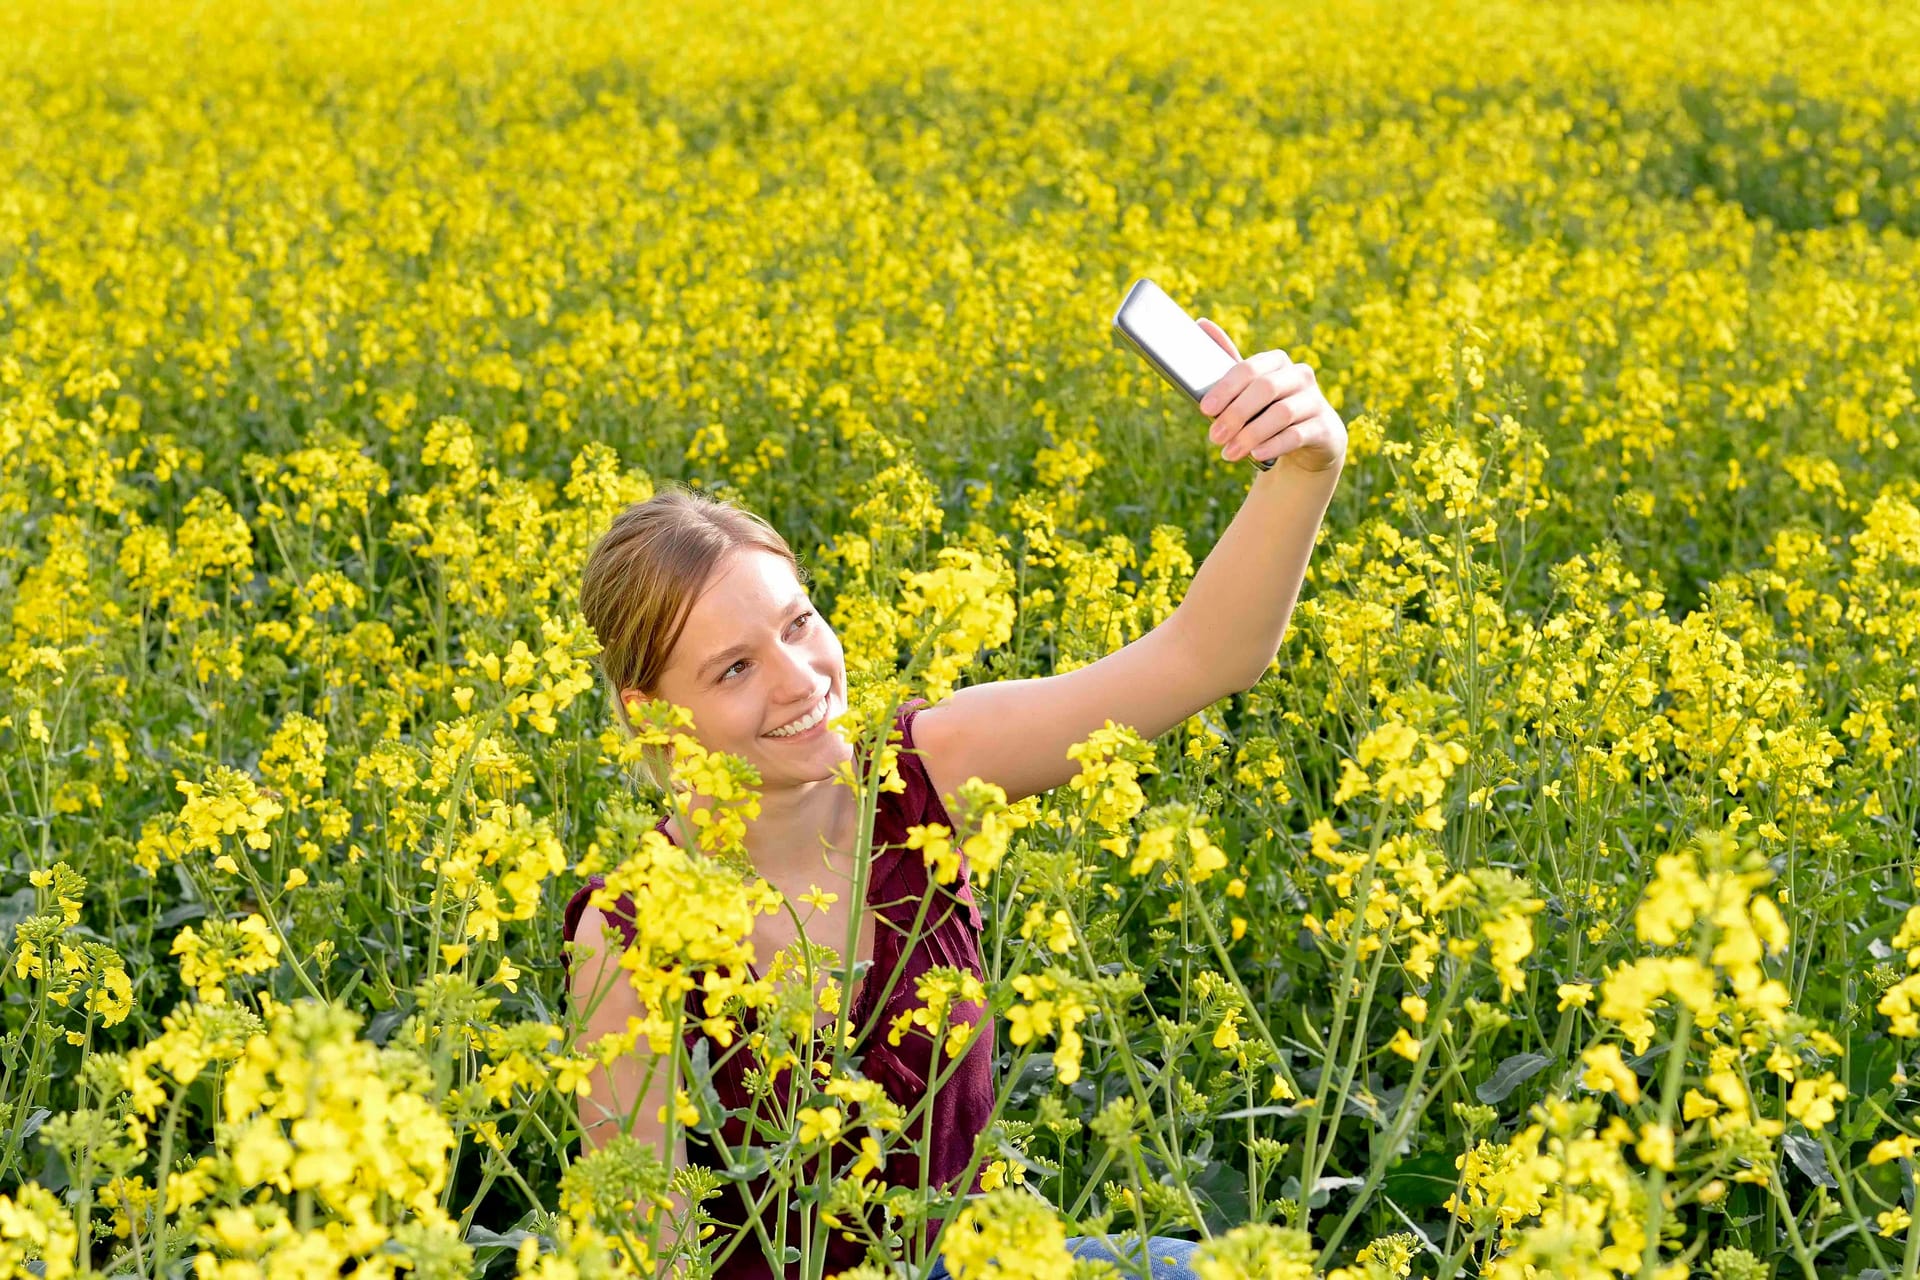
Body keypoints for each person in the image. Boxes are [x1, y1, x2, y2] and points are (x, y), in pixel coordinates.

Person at [561, 324, 1347, 1280]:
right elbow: (657, 1250)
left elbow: (1203, 656)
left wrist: (1306, 466)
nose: (801, 678)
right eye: (733, 668)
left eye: (800, 623)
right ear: (654, 716)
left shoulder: (925, 773)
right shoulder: (629, 930)